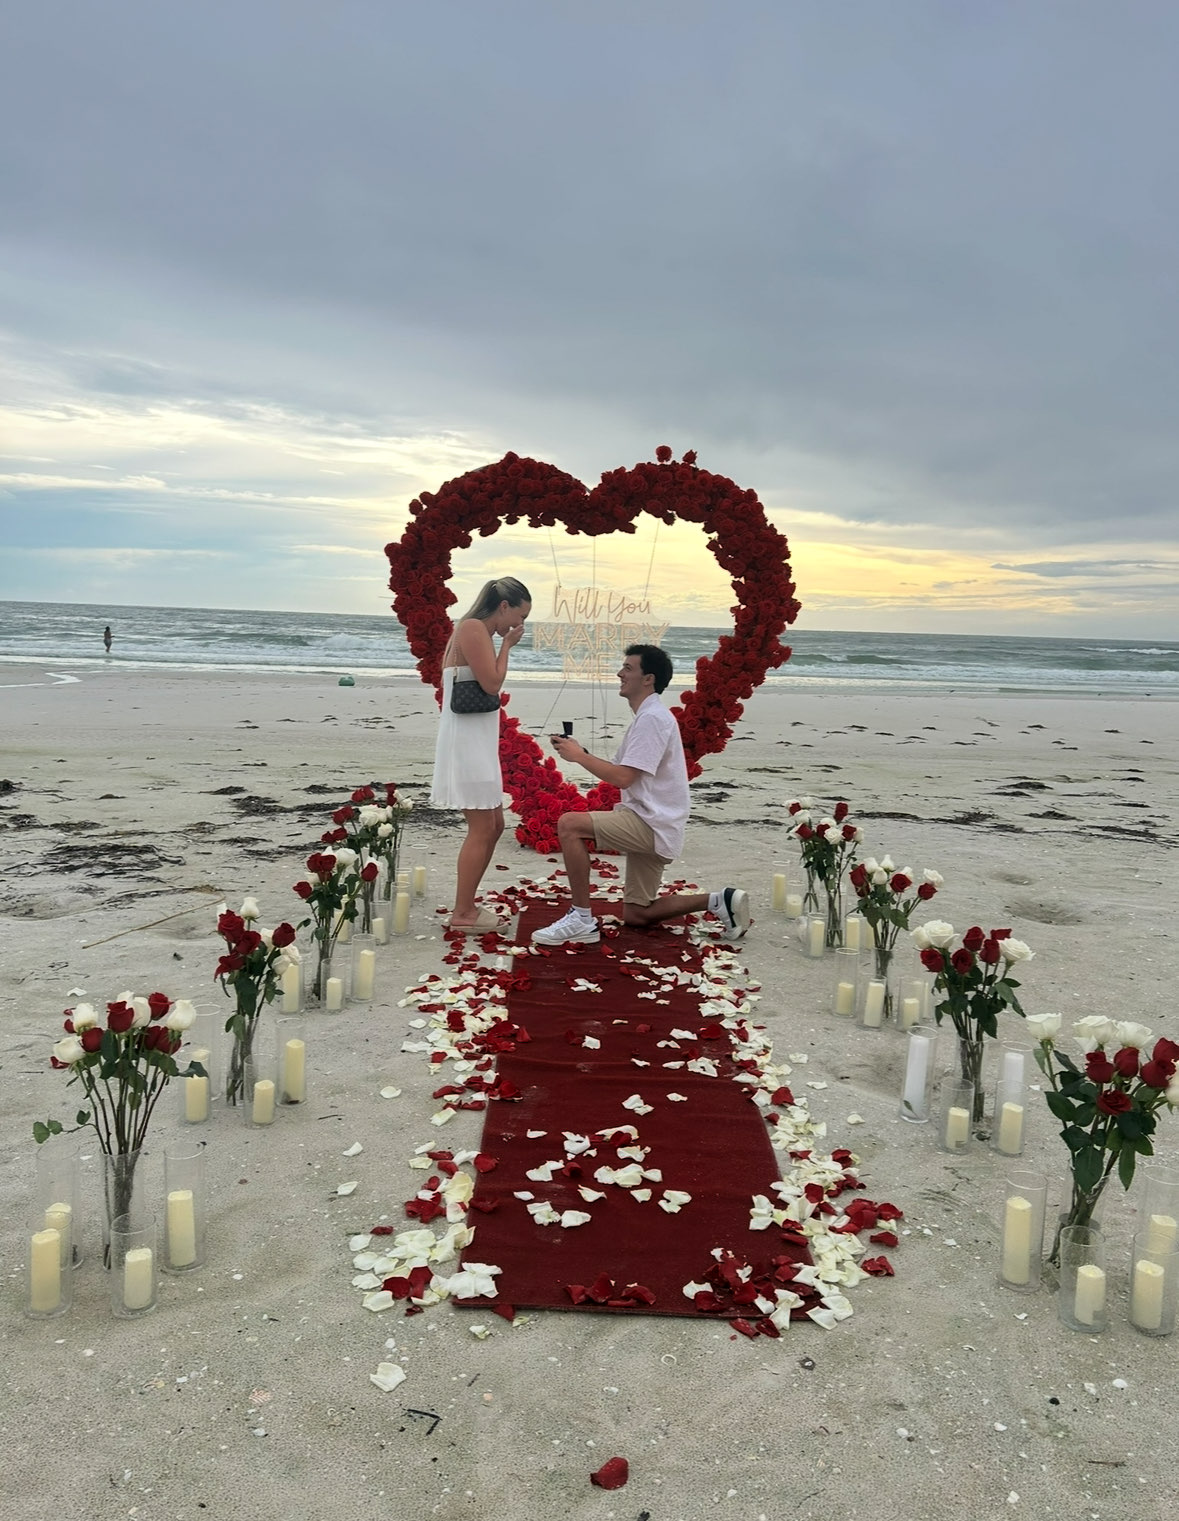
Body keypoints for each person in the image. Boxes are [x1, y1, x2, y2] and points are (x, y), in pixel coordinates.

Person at [532, 643, 749, 946]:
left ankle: (581, 918)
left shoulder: (652, 719)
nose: (620, 674)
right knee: (638, 913)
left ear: (648, 679)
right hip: (655, 820)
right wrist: (581, 752)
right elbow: (624, 772)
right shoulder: (650, 716)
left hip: (651, 822)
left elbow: (623, 778)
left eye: (628, 668)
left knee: (569, 824)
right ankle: (719, 900)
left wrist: (579, 757)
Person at [431, 575, 531, 932]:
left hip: (477, 739)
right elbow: (492, 683)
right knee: (482, 827)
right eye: (520, 616)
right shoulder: (474, 628)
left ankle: (468, 904)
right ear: (503, 607)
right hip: (467, 742)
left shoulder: (478, 632)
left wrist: (502, 644)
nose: (519, 625)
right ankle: (463, 912)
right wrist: (508, 647)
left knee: (495, 825)